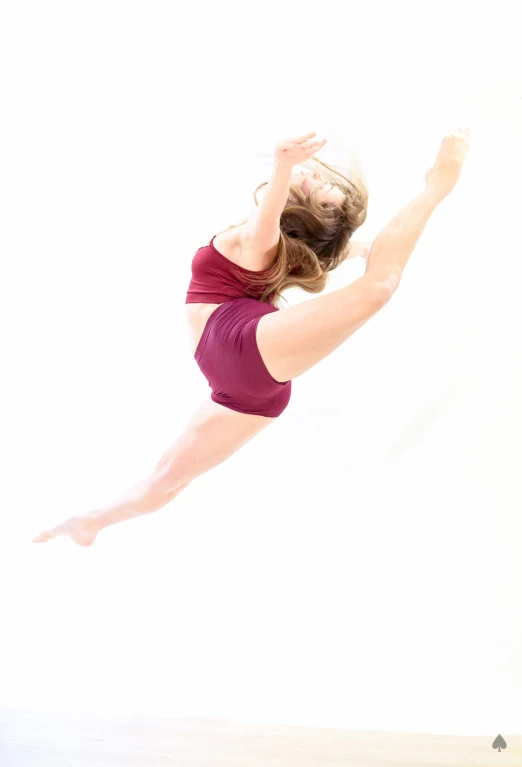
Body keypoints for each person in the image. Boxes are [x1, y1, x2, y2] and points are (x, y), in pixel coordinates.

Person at [32, 127, 472, 547]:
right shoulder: (272, 250)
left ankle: (439, 184)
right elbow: (310, 239)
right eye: (321, 177)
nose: (317, 172)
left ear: (300, 207)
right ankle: (91, 522)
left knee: (378, 288)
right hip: (249, 382)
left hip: (237, 348)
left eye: (319, 185)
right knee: (168, 477)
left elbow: (266, 224)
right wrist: (352, 246)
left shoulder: (257, 238)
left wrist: (283, 166)